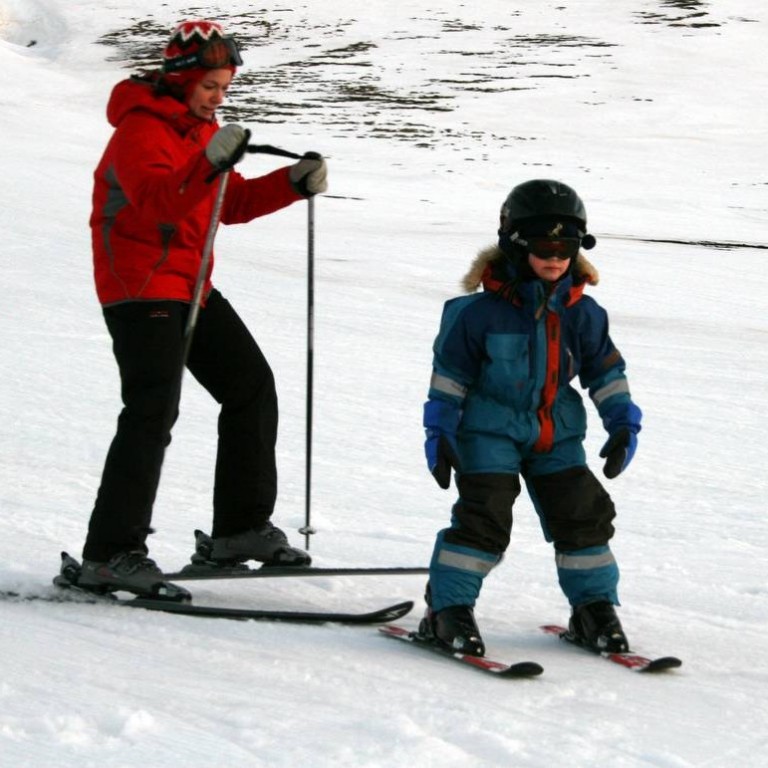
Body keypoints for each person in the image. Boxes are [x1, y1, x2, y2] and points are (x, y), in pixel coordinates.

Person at [76, 20, 328, 595]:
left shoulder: (199, 131)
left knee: (250, 386)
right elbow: (157, 204)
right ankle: (110, 552)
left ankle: (239, 530)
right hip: (140, 287)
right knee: (152, 410)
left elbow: (225, 203)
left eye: (225, 87)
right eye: (210, 85)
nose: (218, 97)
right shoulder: (141, 129)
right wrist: (209, 162)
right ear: (182, 79)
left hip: (190, 286)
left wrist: (291, 182)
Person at [420, 179, 642, 656]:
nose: (556, 257)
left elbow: (606, 372)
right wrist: (439, 430)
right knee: (485, 519)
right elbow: (449, 378)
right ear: (516, 243)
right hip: (487, 433)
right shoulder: (476, 313)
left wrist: (623, 422)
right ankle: (447, 610)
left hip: (557, 434)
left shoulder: (585, 314)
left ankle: (593, 608)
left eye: (567, 245)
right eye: (544, 246)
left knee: (582, 516)